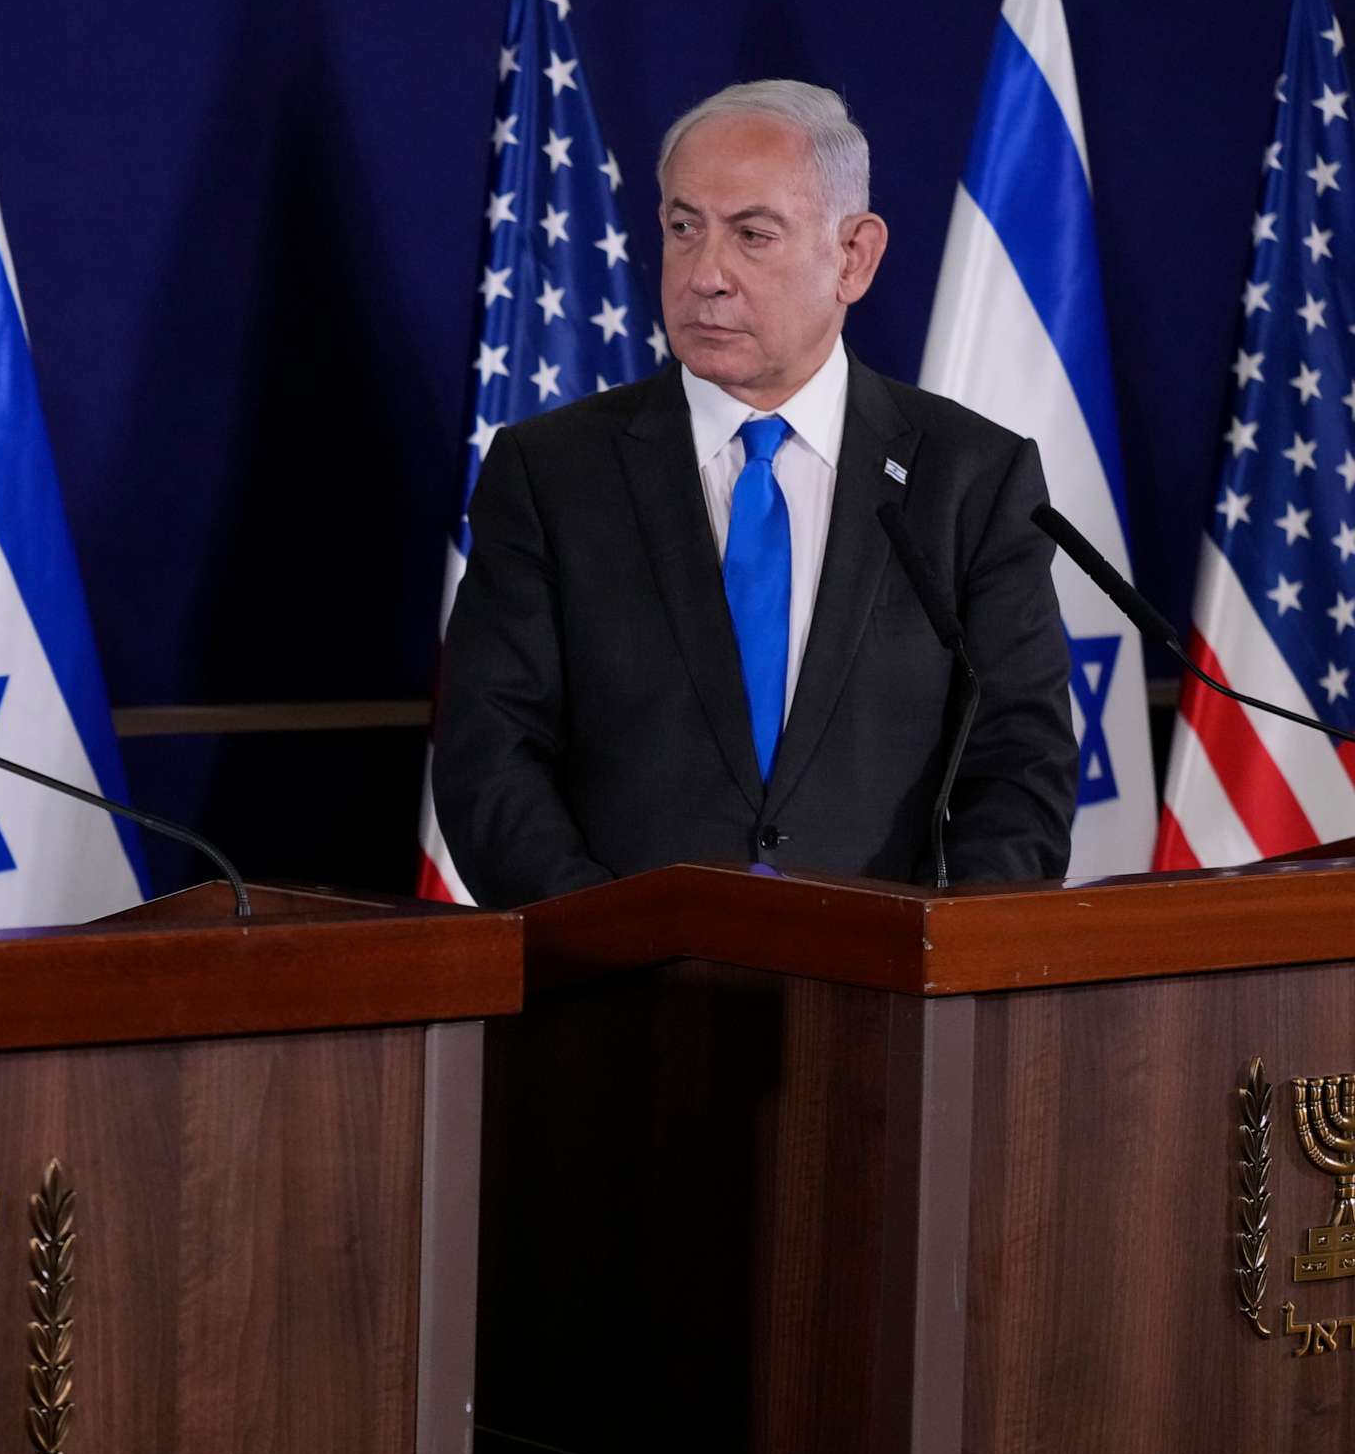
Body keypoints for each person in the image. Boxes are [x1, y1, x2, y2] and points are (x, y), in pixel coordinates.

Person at [433, 79, 1074, 908]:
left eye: (752, 235)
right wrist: (612, 947)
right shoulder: (551, 473)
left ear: (854, 256)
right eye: (683, 228)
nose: (706, 275)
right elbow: (490, 762)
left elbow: (1022, 769)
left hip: (891, 1007)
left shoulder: (971, 479)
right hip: (613, 1001)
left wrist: (929, 964)